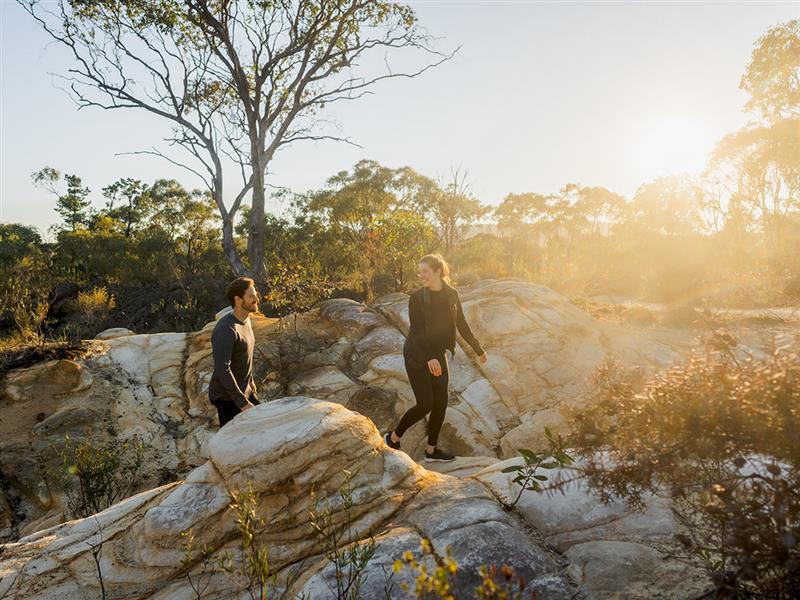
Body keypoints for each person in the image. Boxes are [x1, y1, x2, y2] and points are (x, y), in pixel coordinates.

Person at [383, 254, 488, 462]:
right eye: (420, 272)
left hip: (437, 353)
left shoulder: (452, 295)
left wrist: (478, 350)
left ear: (438, 271)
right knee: (425, 404)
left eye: (425, 272)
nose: (422, 276)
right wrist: (430, 357)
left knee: (441, 402)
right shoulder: (417, 297)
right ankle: (393, 438)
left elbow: (461, 324)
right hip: (417, 352)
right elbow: (418, 330)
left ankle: (431, 452)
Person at [208, 276, 261, 427]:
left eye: (255, 294)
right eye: (251, 296)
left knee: (263, 427)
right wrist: (242, 403)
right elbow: (223, 369)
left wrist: (251, 383)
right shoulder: (226, 329)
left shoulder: (246, 320)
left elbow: (244, 356)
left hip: (245, 392)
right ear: (238, 300)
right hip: (227, 398)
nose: (256, 299)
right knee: (237, 443)